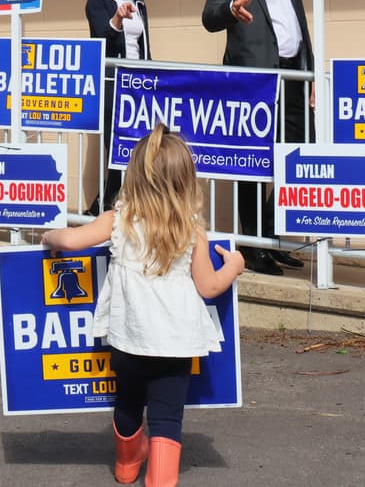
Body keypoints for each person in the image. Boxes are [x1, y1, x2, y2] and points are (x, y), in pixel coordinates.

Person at [42, 124, 244, 486]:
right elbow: (209, 287)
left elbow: (70, 240)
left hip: (128, 342)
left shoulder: (118, 221)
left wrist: (48, 236)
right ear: (186, 180)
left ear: (133, 176)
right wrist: (234, 265)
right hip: (176, 345)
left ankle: (126, 466)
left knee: (128, 404)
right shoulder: (191, 230)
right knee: (167, 418)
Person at [201, 0, 313, 275]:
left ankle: (271, 234)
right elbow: (210, 16)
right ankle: (252, 245)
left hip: (294, 74)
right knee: (252, 162)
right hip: (253, 79)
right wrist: (231, 6)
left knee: (297, 152)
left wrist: (309, 70)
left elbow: (297, 20)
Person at [85, 0, 152, 213]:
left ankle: (105, 210)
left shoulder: (139, 0)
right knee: (118, 153)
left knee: (137, 153)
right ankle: (103, 211)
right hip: (113, 86)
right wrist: (117, 19)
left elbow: (143, 46)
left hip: (139, 86)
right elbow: (101, 36)